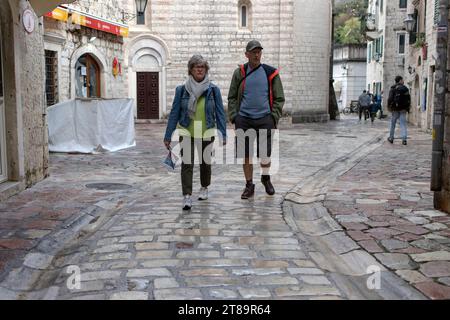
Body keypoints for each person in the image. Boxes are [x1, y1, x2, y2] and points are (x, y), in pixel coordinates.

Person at [164, 55, 227, 210]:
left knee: (205, 163)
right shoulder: (181, 90)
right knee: (187, 164)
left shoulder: (213, 90)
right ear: (190, 70)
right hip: (187, 130)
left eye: (202, 67)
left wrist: (222, 133)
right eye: (196, 67)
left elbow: (220, 113)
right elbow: (174, 113)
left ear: (206, 70)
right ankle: (187, 196)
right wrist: (168, 135)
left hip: (206, 131)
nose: (200, 69)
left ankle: (204, 187)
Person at [228, 40, 285, 199]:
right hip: (243, 120)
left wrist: (273, 117)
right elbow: (232, 97)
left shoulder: (270, 73)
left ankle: (265, 178)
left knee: (265, 155)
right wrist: (234, 116)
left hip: (265, 119)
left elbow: (280, 97)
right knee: (246, 155)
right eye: (253, 52)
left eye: (259, 51)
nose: (256, 54)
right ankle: (249, 185)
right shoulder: (239, 73)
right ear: (246, 54)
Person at [387, 76, 411, 145]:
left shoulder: (393, 88)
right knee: (403, 124)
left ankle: (391, 138)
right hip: (403, 109)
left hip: (395, 109)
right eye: (402, 80)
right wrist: (408, 108)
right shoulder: (405, 88)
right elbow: (409, 98)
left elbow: (390, 98)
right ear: (400, 80)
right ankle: (404, 139)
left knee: (393, 124)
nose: (403, 81)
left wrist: (389, 107)